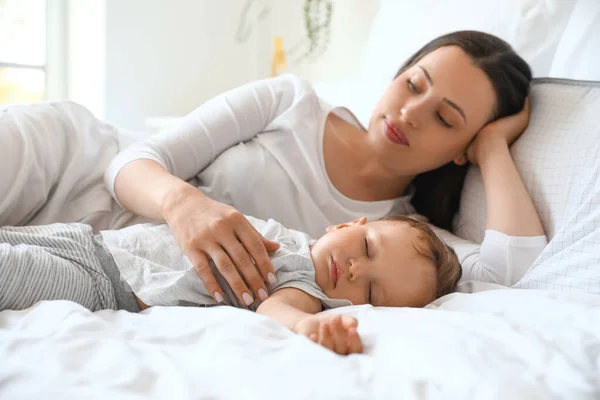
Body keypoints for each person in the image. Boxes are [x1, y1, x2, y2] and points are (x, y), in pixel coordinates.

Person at [103, 30, 547, 307]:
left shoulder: (402, 242)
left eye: (445, 119)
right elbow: (131, 161)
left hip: (113, 268)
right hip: (78, 169)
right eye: (413, 84)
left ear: (461, 149)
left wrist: (491, 150)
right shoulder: (293, 102)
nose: (410, 112)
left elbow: (511, 271)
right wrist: (185, 203)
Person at [0, 215, 461, 355]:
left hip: (102, 284)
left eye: (373, 293)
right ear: (348, 224)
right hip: (91, 241)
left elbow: (275, 310)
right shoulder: (288, 235)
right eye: (369, 247)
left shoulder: (305, 286)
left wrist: (307, 327)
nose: (358, 270)